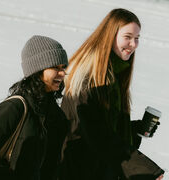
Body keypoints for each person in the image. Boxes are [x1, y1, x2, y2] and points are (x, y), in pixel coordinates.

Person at [60, 8, 163, 180]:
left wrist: (134, 129)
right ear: (110, 35)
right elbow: (96, 135)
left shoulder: (112, 74)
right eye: (127, 37)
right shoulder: (89, 78)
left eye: (137, 38)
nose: (134, 44)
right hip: (78, 171)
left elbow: (103, 125)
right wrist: (141, 168)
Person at [0, 35, 69, 180]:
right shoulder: (16, 107)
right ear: (37, 69)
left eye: (63, 67)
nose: (62, 73)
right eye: (55, 67)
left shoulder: (57, 116)